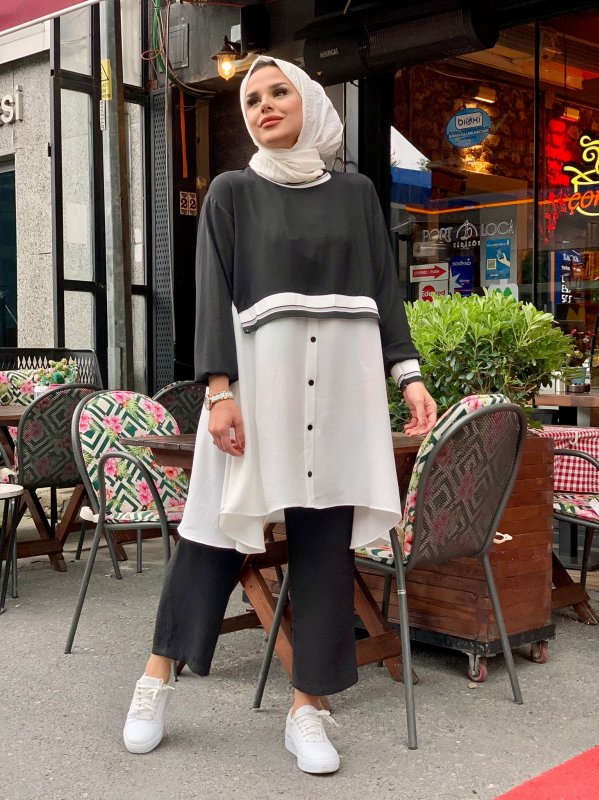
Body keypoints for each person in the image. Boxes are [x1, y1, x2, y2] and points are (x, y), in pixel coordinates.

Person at [123, 55, 437, 773]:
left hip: (342, 387)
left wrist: (408, 376)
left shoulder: (356, 194)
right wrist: (219, 390)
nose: (263, 105)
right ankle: (156, 678)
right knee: (214, 529)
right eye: (251, 99)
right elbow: (211, 294)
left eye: (278, 92)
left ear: (310, 102)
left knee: (324, 542)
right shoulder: (232, 192)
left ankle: (307, 708)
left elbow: (384, 289)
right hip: (259, 387)